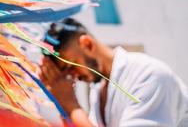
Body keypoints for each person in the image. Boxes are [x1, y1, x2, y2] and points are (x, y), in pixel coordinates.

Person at [39, 18, 188, 127]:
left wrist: (71, 105)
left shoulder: (147, 74)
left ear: (87, 44)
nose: (72, 76)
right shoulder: (98, 89)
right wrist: (62, 105)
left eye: (71, 65)